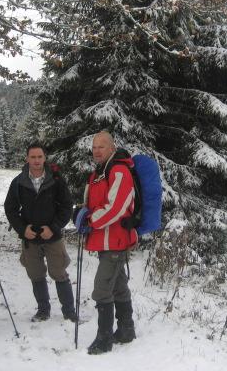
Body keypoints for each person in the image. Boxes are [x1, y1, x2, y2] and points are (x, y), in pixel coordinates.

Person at [4, 143, 77, 323]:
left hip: (53, 236)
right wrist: (22, 229)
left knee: (59, 272)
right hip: (30, 238)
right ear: (27, 158)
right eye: (33, 157)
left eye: (39, 157)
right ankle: (43, 310)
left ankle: (69, 312)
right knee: (35, 274)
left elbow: (67, 206)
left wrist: (53, 227)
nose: (36, 160)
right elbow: (10, 209)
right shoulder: (19, 182)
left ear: (45, 158)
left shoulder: (56, 180)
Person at [81, 131, 138, 355]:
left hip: (115, 240)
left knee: (102, 287)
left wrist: (90, 219)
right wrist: (82, 212)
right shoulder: (99, 172)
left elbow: (116, 207)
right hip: (105, 240)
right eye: (94, 147)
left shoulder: (119, 171)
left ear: (112, 148)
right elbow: (95, 203)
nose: (96, 151)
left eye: (101, 146)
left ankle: (104, 339)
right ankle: (126, 330)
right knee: (118, 285)